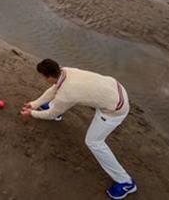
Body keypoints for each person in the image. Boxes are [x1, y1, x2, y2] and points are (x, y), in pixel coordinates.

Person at [21, 59, 136, 200]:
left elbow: (51, 114)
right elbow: (54, 89)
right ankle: (56, 107)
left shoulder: (66, 94)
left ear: (49, 76)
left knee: (93, 142)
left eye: (43, 76)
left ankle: (126, 182)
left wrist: (32, 113)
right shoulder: (66, 71)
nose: (43, 79)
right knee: (61, 100)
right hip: (116, 89)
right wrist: (34, 104)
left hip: (115, 110)